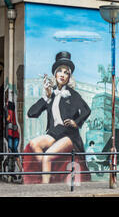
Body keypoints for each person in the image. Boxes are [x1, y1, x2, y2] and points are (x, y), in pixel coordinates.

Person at [27, 51, 91, 184]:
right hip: (55, 132)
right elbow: (31, 113)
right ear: (55, 74)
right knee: (33, 144)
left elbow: (87, 110)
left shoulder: (72, 94)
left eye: (66, 72)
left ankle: (46, 187)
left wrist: (76, 122)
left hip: (69, 134)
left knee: (47, 158)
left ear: (69, 77)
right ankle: (51, 171)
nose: (62, 75)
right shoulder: (51, 93)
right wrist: (46, 96)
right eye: (60, 71)